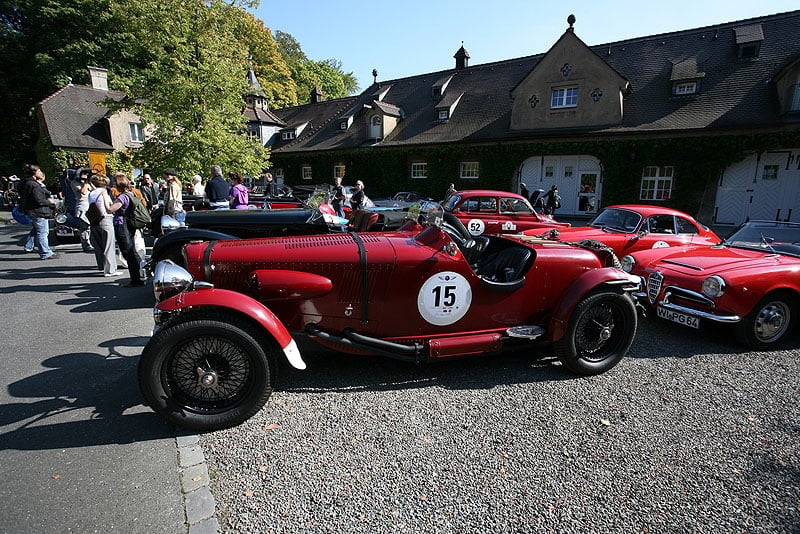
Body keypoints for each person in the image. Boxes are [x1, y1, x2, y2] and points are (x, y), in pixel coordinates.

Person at [106, 173, 145, 287]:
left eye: (114, 183)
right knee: (132, 250)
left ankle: (136, 279)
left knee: (128, 252)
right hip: (129, 224)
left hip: (122, 224)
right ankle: (141, 274)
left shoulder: (122, 197)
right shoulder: (131, 193)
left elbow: (110, 209)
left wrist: (105, 198)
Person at [19, 164, 58, 259]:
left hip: (32, 211)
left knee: (37, 229)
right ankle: (45, 252)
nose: (41, 173)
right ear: (34, 173)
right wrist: (50, 202)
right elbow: (39, 200)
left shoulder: (25, 183)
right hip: (39, 211)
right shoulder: (34, 185)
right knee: (43, 232)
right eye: (39, 171)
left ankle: (28, 246)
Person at [87, 174, 118, 276]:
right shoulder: (103, 192)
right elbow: (107, 206)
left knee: (98, 245)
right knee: (108, 245)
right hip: (105, 219)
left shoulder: (91, 193)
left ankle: (102, 265)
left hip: (94, 220)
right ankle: (110, 270)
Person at [70, 168, 94, 252]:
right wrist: (85, 183)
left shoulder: (88, 183)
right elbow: (82, 192)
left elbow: (94, 190)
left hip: (90, 205)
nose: (85, 176)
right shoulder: (75, 183)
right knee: (85, 227)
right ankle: (86, 244)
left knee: (90, 227)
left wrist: (89, 182)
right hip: (82, 205)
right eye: (84, 174)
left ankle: (91, 243)